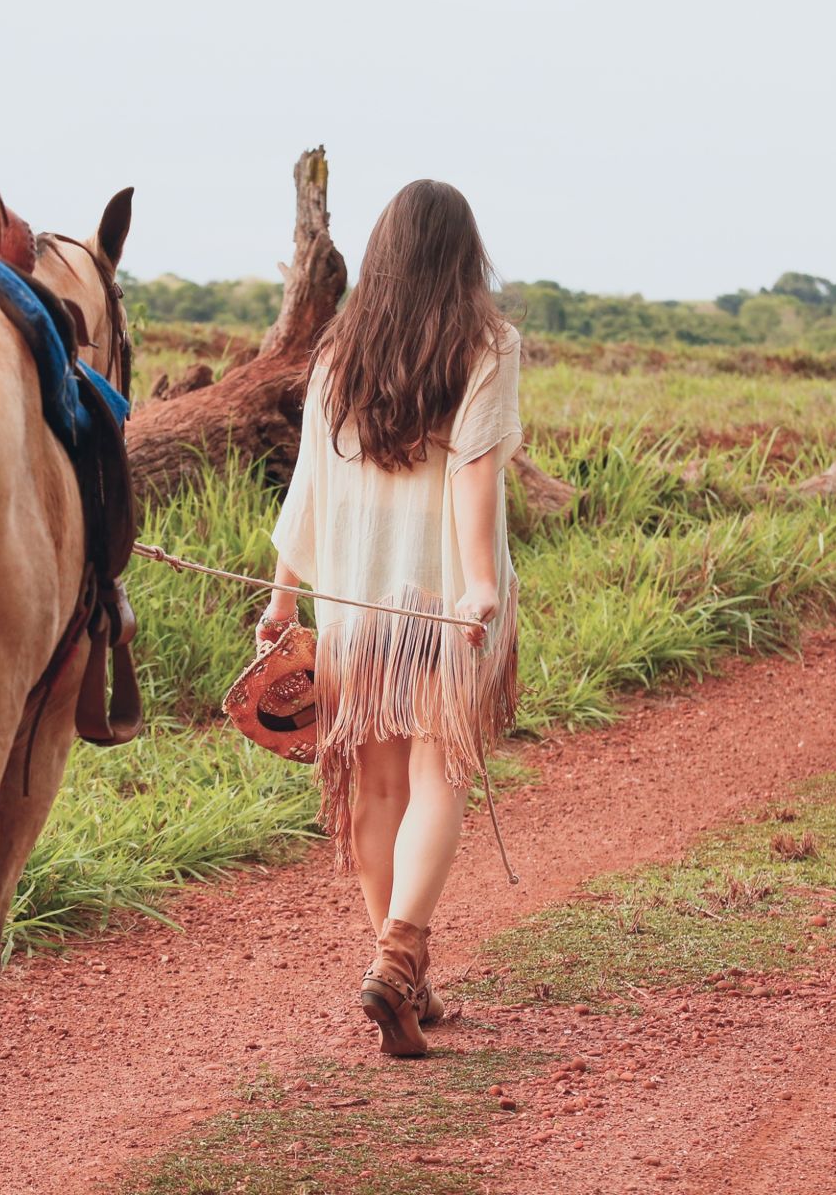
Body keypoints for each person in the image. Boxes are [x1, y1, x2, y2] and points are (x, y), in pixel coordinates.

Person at [261, 178, 522, 1057]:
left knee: (374, 788)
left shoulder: (340, 351)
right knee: (439, 773)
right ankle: (400, 959)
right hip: (441, 603)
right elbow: (473, 473)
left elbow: (309, 485)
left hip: (356, 605)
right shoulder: (486, 343)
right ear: (463, 256)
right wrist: (478, 586)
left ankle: (399, 970)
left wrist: (284, 594)